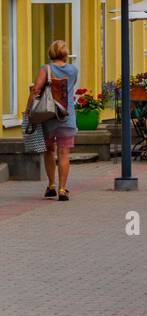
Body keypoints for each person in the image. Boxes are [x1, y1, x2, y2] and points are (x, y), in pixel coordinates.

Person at [29, 40, 78, 201]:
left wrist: (29, 108)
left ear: (51, 52)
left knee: (49, 150)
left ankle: (51, 186)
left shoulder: (46, 69)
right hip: (66, 115)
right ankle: (63, 189)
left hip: (48, 115)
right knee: (64, 152)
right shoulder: (73, 70)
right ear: (65, 53)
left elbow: (36, 90)